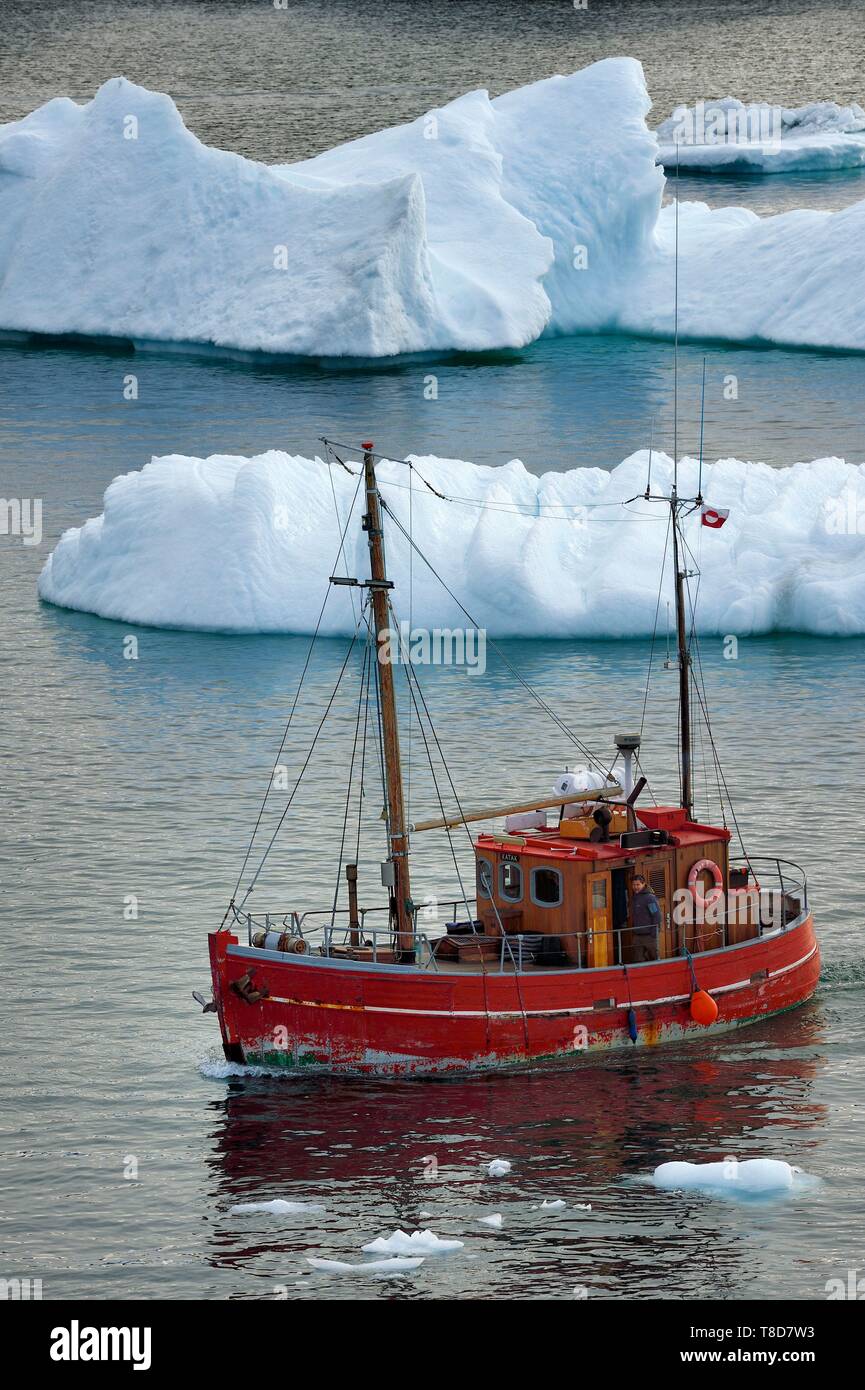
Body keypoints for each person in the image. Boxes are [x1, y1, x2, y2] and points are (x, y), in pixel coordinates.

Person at [630, 871, 661, 962]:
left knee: (654, 959)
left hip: (649, 936)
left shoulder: (649, 898)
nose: (635, 887)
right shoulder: (635, 898)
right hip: (637, 936)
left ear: (643, 884)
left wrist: (653, 933)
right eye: (634, 885)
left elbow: (656, 915)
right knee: (638, 960)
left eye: (638, 884)